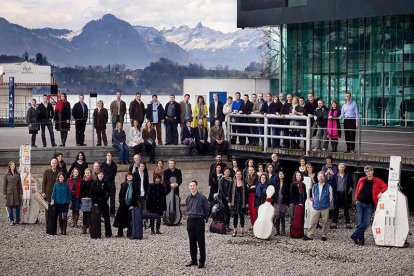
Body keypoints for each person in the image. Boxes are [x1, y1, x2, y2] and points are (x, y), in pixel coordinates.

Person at [351, 165, 387, 246]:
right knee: (359, 222)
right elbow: (357, 189)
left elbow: (385, 187)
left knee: (367, 222)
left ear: (373, 171)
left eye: (369, 171)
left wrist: (381, 192)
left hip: (370, 204)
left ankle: (354, 235)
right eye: (366, 171)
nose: (368, 173)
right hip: (360, 202)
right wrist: (356, 199)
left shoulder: (377, 180)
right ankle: (361, 240)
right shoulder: (362, 180)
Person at [303, 172, 333, 241]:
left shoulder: (328, 186)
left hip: (325, 207)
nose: (321, 178)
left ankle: (324, 235)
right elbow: (313, 195)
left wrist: (326, 203)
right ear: (317, 178)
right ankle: (310, 235)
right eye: (319, 177)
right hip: (316, 206)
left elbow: (330, 197)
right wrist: (315, 202)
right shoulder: (315, 186)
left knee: (325, 222)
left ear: (324, 177)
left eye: (322, 176)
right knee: (312, 221)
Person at [185, 180, 209, 269]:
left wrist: (205, 219)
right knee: (192, 241)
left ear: (196, 186)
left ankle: (202, 262)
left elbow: (207, 209)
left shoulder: (202, 197)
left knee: (201, 242)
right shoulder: (188, 198)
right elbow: (188, 208)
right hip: (190, 220)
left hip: (199, 220)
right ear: (189, 187)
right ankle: (193, 260)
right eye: (190, 185)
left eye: (193, 185)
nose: (192, 187)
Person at [114, 172, 139, 238]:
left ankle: (129, 233)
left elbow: (136, 196)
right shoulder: (123, 184)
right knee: (120, 218)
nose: (129, 177)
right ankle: (120, 233)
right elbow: (120, 194)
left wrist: (133, 204)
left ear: (132, 177)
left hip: (131, 204)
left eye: (130, 176)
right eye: (128, 176)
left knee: (130, 219)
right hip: (123, 204)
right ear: (126, 177)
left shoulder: (135, 185)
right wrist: (121, 202)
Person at [330, 163, 354, 229]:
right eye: (340, 167)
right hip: (337, 194)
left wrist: (348, 192)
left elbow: (351, 185)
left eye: (343, 167)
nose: (341, 168)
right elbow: (331, 186)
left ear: (345, 168)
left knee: (346, 209)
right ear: (338, 167)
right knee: (336, 209)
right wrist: (332, 194)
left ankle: (348, 223)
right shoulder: (335, 175)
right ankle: (334, 223)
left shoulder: (348, 175)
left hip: (344, 194)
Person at [90, 170, 112, 238]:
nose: (101, 176)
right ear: (97, 175)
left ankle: (108, 233)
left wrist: (104, 199)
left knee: (107, 218)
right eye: (99, 174)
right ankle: (96, 233)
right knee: (96, 219)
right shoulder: (94, 183)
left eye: (102, 174)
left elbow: (108, 192)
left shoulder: (106, 183)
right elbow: (92, 194)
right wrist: (94, 203)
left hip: (104, 203)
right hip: (96, 204)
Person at [3, 161, 22, 225]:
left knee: (17, 206)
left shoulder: (18, 174)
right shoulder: (6, 174)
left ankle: (17, 220)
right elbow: (4, 185)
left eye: (14, 165)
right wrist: (4, 194)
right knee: (9, 206)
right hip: (9, 193)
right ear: (9, 166)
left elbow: (20, 184)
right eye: (11, 165)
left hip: (17, 192)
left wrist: (21, 192)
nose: (13, 166)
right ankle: (11, 220)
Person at [230, 170, 248, 237]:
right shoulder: (232, 182)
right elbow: (230, 192)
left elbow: (246, 194)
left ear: (241, 175)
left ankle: (242, 231)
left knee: (242, 216)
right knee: (235, 217)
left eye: (240, 174)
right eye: (237, 174)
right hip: (234, 202)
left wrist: (246, 203)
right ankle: (235, 230)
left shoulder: (244, 183)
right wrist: (229, 201)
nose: (239, 175)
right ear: (235, 175)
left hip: (242, 202)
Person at [42, 159, 59, 226]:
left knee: (55, 208)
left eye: (55, 163)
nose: (54, 164)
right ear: (51, 164)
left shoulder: (59, 172)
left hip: (56, 194)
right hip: (48, 193)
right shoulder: (47, 172)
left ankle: (53, 223)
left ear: (57, 164)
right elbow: (44, 182)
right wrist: (43, 192)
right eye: (53, 163)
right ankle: (47, 224)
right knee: (48, 209)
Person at [273, 171, 290, 236]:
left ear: (284, 175)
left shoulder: (286, 183)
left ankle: (283, 231)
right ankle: (277, 231)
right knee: (277, 216)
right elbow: (273, 192)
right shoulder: (275, 182)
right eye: (279, 174)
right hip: (277, 201)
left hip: (283, 201)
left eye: (282, 174)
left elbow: (288, 194)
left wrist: (287, 204)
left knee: (282, 216)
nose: (280, 175)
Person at [218, 167, 233, 232]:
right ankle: (223, 226)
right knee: (224, 212)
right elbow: (221, 190)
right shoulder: (222, 179)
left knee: (228, 212)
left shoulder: (231, 179)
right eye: (226, 171)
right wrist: (226, 197)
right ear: (224, 172)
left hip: (230, 198)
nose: (227, 173)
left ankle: (227, 225)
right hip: (224, 198)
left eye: (228, 172)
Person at [80, 168, 93, 234]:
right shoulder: (82, 181)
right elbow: (80, 191)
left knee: (90, 214)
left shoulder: (93, 181)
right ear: (84, 174)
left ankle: (91, 227)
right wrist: (80, 199)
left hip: (90, 199)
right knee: (85, 214)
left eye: (89, 173)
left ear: (91, 174)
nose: (87, 174)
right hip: (84, 199)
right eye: (86, 173)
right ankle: (84, 228)